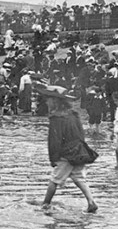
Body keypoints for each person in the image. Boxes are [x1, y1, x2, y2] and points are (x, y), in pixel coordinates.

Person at [40, 85, 98, 213]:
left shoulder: (56, 118)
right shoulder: (74, 114)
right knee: (78, 177)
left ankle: (45, 204)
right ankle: (91, 201)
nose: (46, 102)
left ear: (55, 101)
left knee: (54, 180)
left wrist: (53, 158)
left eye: (48, 99)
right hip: (78, 150)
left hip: (66, 153)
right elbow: (81, 134)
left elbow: (54, 140)